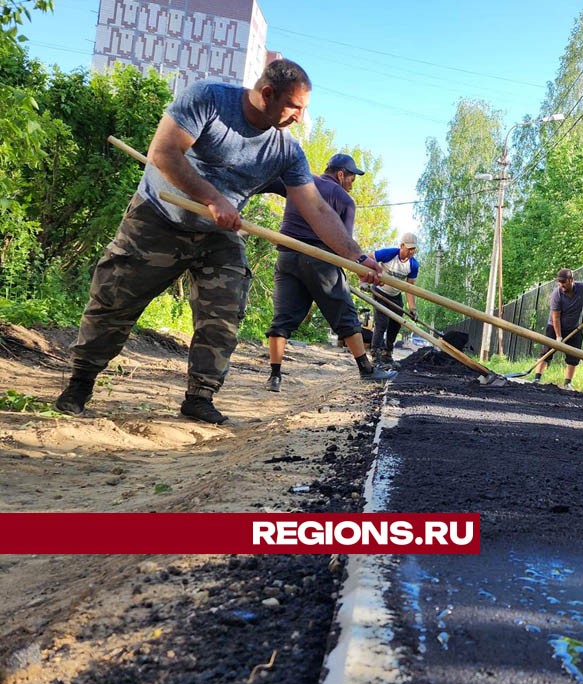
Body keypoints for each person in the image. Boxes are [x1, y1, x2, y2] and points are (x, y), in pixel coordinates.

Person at [54, 59, 384, 424]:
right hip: (158, 217)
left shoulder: (285, 151)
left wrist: (358, 257)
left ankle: (199, 396)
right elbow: (163, 152)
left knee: (224, 312)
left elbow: (317, 210)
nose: (299, 118)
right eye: (295, 107)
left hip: (218, 235)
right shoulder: (208, 99)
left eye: (304, 110)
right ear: (268, 94)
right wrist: (212, 197)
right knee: (114, 301)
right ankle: (80, 381)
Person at [262, 153, 395, 392]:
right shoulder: (344, 199)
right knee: (345, 316)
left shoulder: (300, 181)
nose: (352, 185)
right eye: (352, 179)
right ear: (341, 174)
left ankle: (275, 376)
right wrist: (360, 265)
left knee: (282, 318)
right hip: (321, 259)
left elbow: (267, 181)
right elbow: (342, 242)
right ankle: (366, 369)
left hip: (287, 256)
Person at [533, 268, 583, 388]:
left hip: (574, 328)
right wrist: (558, 336)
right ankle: (537, 378)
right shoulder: (557, 294)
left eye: (564, 282)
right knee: (546, 352)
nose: (562, 285)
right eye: (560, 282)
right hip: (554, 327)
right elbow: (556, 317)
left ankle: (567, 383)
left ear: (571, 280)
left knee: (573, 355)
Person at [370, 233, 420, 367]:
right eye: (409, 248)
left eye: (413, 249)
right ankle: (375, 355)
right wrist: (368, 276)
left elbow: (409, 288)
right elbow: (369, 258)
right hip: (379, 292)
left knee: (396, 323)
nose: (411, 251)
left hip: (395, 296)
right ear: (402, 245)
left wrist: (412, 308)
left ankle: (387, 354)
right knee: (381, 323)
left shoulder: (413, 265)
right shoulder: (389, 254)